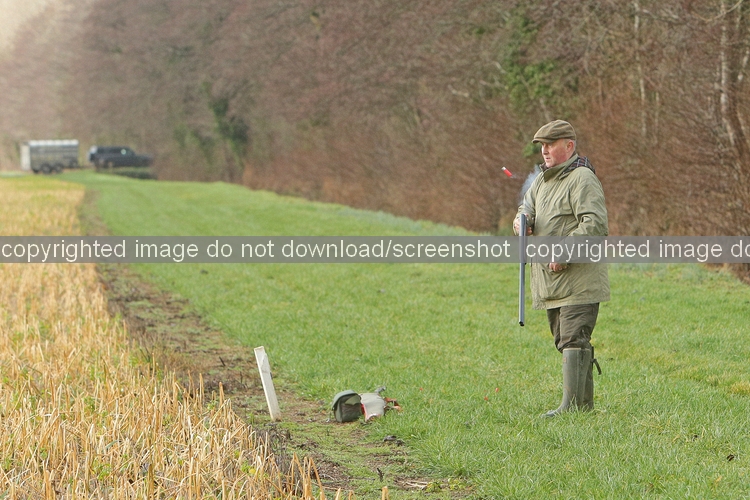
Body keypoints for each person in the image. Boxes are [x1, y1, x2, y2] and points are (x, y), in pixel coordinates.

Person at [513, 119, 609, 417]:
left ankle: (571, 407)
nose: (544, 150)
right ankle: (583, 408)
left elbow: (595, 224)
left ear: (568, 145)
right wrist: (521, 222)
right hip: (550, 280)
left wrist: (565, 251)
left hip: (579, 279)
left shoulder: (582, 179)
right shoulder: (541, 181)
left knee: (573, 338)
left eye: (550, 144)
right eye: (542, 145)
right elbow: (525, 209)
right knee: (566, 340)